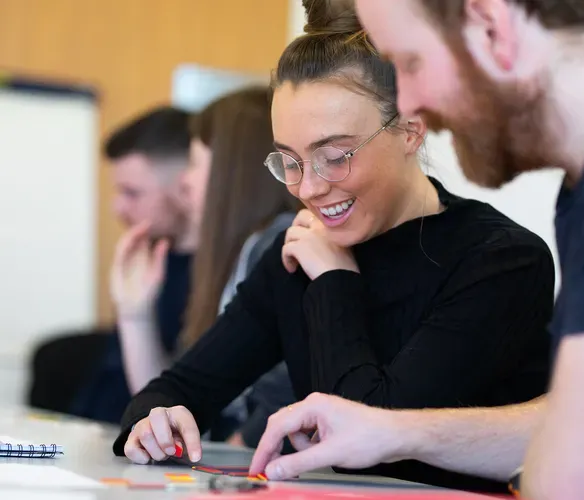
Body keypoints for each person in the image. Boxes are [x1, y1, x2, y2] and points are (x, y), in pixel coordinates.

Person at [113, 0, 555, 492]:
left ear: (410, 130)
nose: (309, 188)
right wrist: (157, 422)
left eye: (334, 157)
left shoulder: (501, 261)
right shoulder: (302, 250)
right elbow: (178, 388)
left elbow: (374, 441)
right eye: (290, 162)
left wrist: (335, 280)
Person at [252, 0, 584, 499]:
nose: (409, 103)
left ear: (491, 22)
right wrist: (391, 432)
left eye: (410, 63)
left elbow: (581, 476)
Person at [112, 86, 298, 445]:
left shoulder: (279, 244)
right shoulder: (233, 256)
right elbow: (172, 405)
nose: (184, 181)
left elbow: (289, 387)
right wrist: (134, 312)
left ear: (236, 172)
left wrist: (236, 450)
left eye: (196, 163)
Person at [29, 106, 193, 422]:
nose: (119, 208)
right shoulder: (154, 257)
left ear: (185, 186)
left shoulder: (210, 276)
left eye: (133, 193)